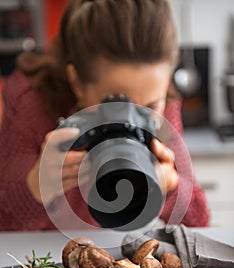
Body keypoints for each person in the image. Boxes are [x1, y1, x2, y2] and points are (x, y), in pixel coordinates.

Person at [0, 0, 209, 231]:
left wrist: (171, 186)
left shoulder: (163, 102)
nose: (132, 121)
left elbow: (200, 223)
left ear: (166, 83)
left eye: (149, 106)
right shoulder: (31, 101)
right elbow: (5, 226)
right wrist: (35, 190)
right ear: (76, 82)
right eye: (116, 106)